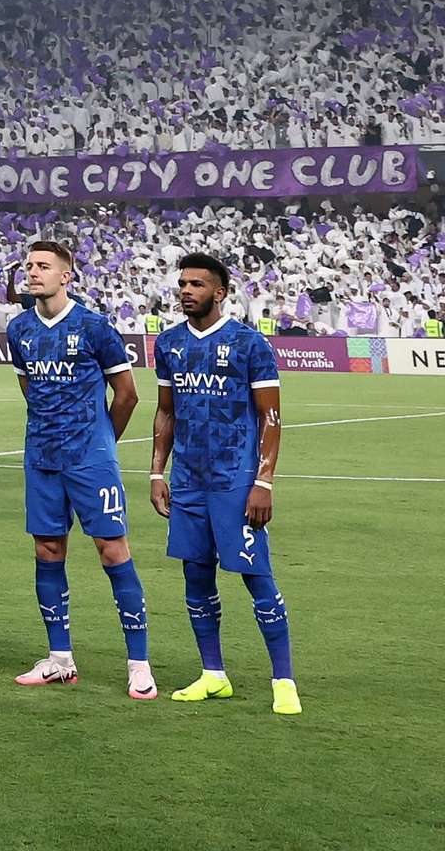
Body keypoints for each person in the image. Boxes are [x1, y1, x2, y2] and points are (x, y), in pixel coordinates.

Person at [150, 250, 299, 715]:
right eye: (183, 284)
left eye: (197, 284)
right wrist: (157, 471)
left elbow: (270, 417)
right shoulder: (168, 343)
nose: (186, 291)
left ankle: (283, 680)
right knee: (195, 576)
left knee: (258, 578)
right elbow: (166, 411)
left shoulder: (249, 344)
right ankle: (213, 674)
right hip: (188, 480)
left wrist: (264, 481)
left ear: (220, 292)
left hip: (236, 479)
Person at [6, 236, 155, 696]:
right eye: (29, 265)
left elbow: (127, 393)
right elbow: (30, 387)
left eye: (43, 266)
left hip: (90, 461)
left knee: (113, 550)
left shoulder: (95, 327)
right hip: (41, 459)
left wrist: (101, 440)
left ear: (65, 276)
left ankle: (139, 663)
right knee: (48, 552)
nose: (32, 272)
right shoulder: (19, 330)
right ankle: (59, 659)